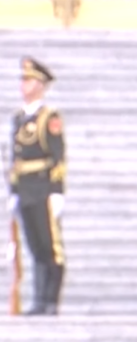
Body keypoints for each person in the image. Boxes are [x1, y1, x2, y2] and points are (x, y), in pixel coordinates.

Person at [6, 57, 66, 316]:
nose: (24, 84)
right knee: (35, 247)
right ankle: (40, 299)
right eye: (23, 80)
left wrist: (57, 191)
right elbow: (16, 158)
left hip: (42, 188)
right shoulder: (20, 118)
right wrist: (14, 191)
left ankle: (51, 300)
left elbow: (57, 156)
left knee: (50, 246)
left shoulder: (48, 118)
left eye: (29, 80)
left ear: (40, 85)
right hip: (25, 189)